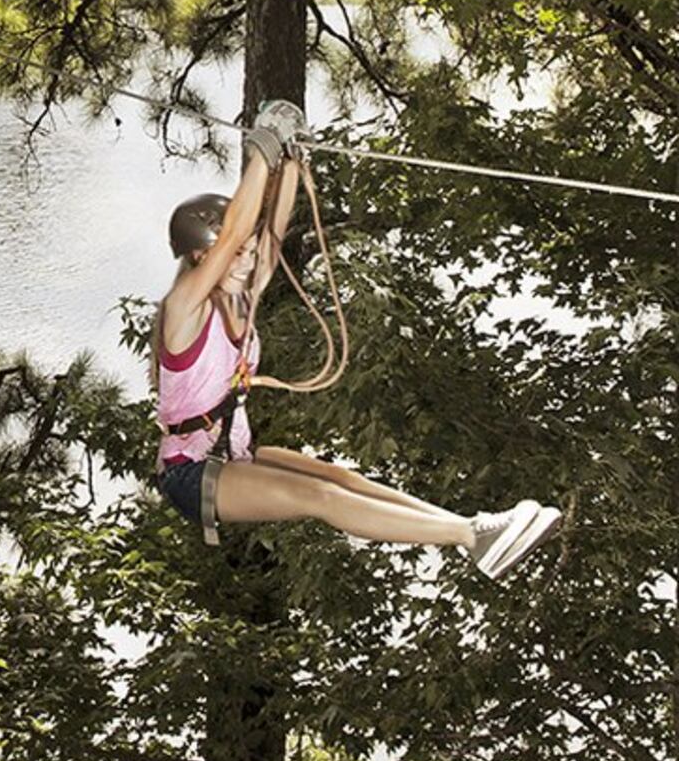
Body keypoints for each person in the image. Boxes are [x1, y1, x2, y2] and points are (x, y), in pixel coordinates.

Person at [153, 102, 556, 573]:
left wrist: (290, 160)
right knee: (320, 497)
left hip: (232, 453)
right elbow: (237, 232)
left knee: (337, 476)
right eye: (232, 254)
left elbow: (272, 234)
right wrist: (263, 145)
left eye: (247, 252)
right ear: (201, 259)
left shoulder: (240, 295)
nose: (246, 259)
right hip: (190, 473)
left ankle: (475, 529)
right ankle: (470, 536)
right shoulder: (183, 309)